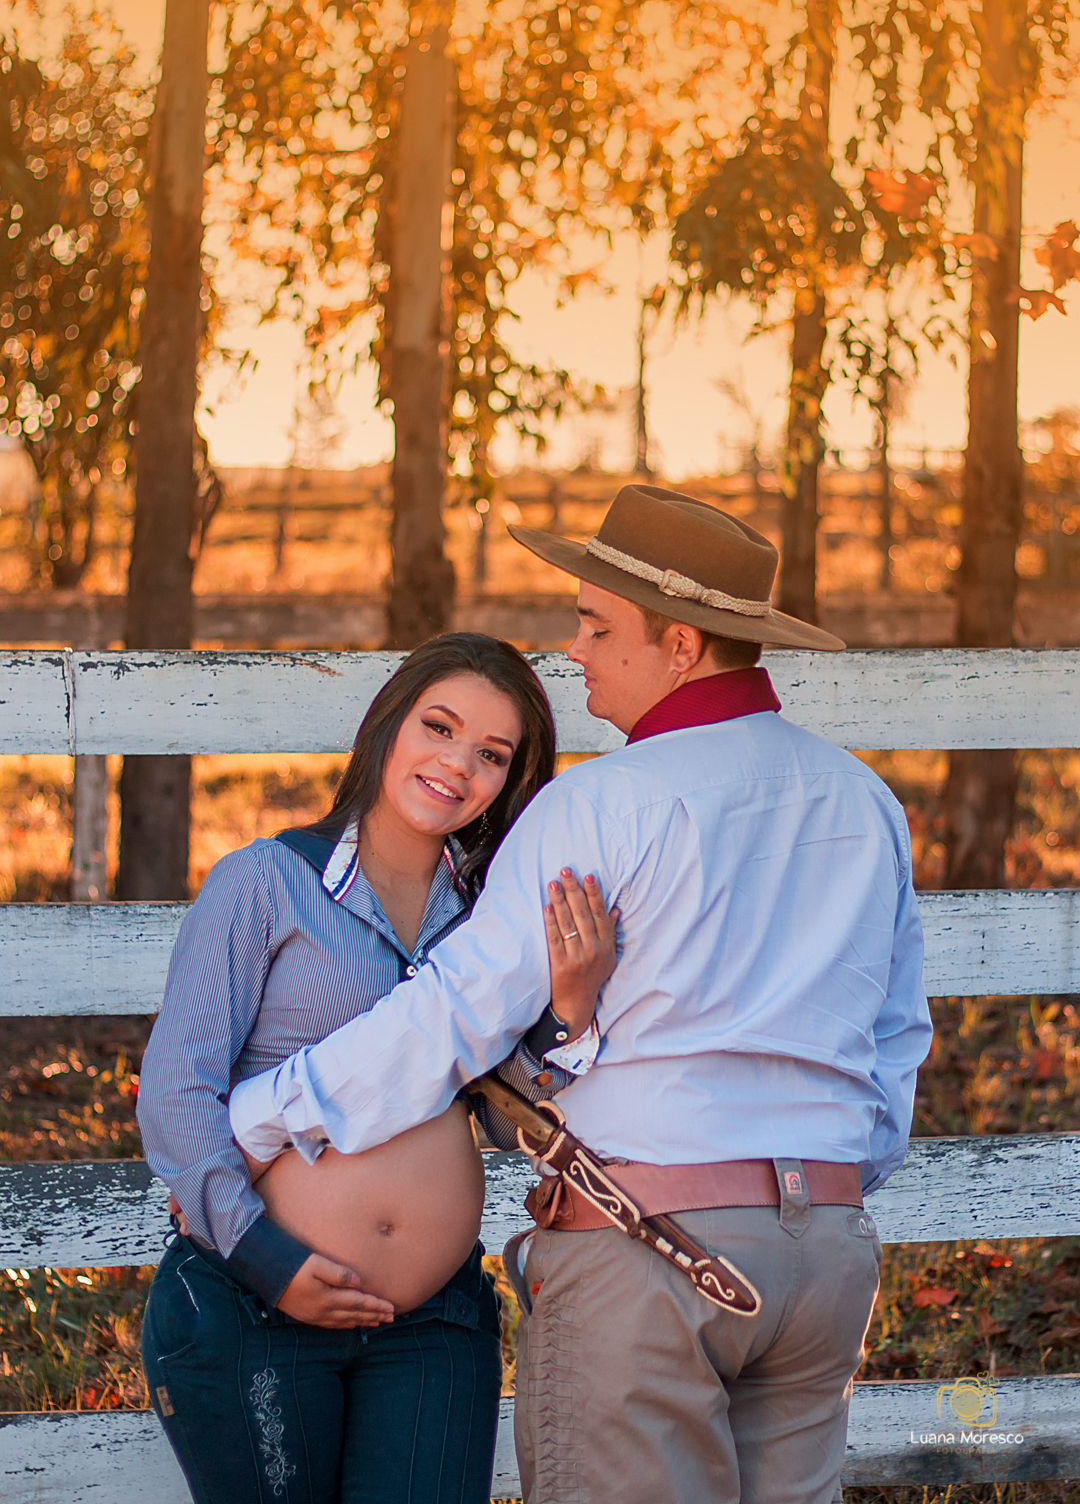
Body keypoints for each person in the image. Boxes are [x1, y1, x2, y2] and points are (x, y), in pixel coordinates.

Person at [229, 485, 933, 1504]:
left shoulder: (603, 804)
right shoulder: (865, 801)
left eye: (599, 628)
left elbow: (454, 1017)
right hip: (824, 1257)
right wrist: (824, 1194)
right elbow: (896, 1037)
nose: (576, 651)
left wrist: (262, 1115)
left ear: (680, 645)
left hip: (652, 1261)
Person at [137, 632, 617, 1504]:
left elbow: (500, 1118)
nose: (457, 764)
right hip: (255, 1305)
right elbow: (177, 1092)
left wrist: (569, 1011)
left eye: (492, 754)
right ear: (389, 723)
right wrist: (267, 1260)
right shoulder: (265, 882)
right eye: (439, 726)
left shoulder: (489, 921)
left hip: (431, 1326)